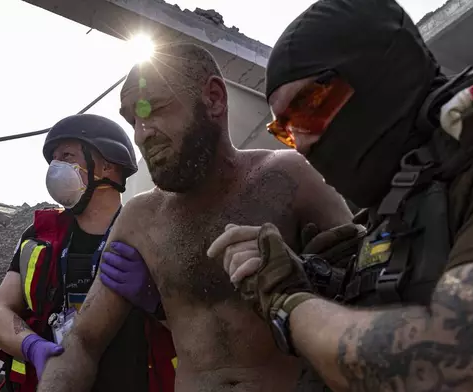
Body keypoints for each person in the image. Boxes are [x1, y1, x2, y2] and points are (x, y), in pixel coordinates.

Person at [209, 0, 473, 391]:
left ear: (380, 73)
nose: (300, 144)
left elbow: (466, 365)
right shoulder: (404, 195)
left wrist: (290, 302)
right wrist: (332, 284)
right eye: (284, 130)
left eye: (310, 107)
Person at [37, 42, 354, 392]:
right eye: (132, 119)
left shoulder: (288, 178)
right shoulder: (139, 219)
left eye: (153, 108)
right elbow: (82, 342)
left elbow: (374, 288)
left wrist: (308, 276)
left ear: (214, 98)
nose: (142, 133)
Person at [0, 113, 176, 392]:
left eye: (67, 155)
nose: (55, 167)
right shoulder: (39, 236)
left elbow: (206, 330)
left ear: (108, 164)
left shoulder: (154, 236)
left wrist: (158, 303)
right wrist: (32, 346)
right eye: (53, 159)